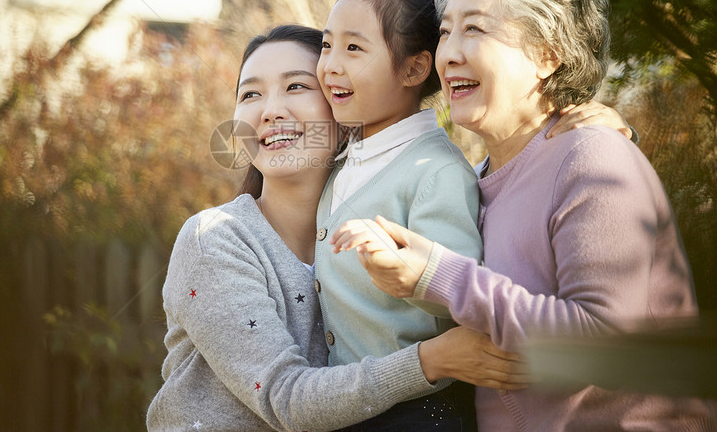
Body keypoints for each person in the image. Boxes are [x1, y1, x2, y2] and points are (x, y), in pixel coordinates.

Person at [330, 0, 713, 431]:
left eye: (475, 29)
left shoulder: (593, 158)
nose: (449, 54)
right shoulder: (471, 181)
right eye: (445, 32)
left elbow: (608, 346)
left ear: (548, 54)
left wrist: (437, 276)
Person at [145, 25, 529, 432]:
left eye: (295, 87)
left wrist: (570, 119)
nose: (270, 110)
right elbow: (286, 398)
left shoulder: (394, 226)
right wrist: (432, 360)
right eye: (250, 94)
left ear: (342, 104)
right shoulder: (217, 238)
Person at [314, 0, 485, 430]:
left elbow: (460, 299)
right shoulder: (346, 158)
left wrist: (405, 268)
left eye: (354, 48)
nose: (330, 65)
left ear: (413, 68)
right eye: (327, 45)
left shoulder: (435, 171)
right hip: (353, 403)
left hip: (417, 412)